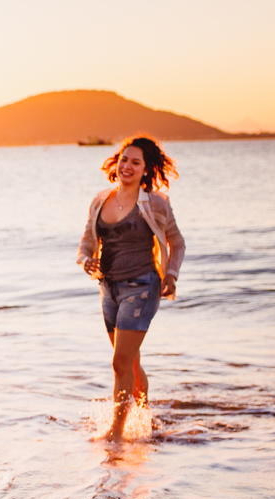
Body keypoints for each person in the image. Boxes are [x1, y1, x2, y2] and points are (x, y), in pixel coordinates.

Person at [77, 136, 185, 441]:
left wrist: (172, 275)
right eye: (124, 159)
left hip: (141, 287)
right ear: (117, 161)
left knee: (119, 361)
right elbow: (87, 241)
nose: (127, 166)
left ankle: (116, 432)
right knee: (131, 361)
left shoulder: (155, 204)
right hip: (108, 289)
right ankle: (145, 420)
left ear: (146, 169)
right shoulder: (100, 200)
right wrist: (86, 260)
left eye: (135, 162)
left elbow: (177, 242)